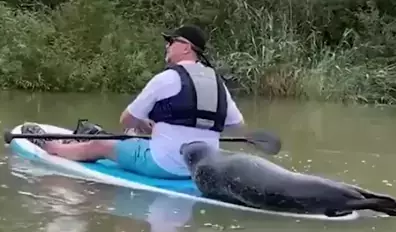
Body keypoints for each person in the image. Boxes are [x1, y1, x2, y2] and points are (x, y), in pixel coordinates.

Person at [21, 24, 245, 179]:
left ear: (186, 47)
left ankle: (51, 147)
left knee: (102, 144)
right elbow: (237, 124)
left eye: (171, 41)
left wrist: (146, 124)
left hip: (165, 166)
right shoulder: (217, 82)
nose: (167, 45)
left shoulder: (167, 78)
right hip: (199, 168)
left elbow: (126, 119)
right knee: (134, 135)